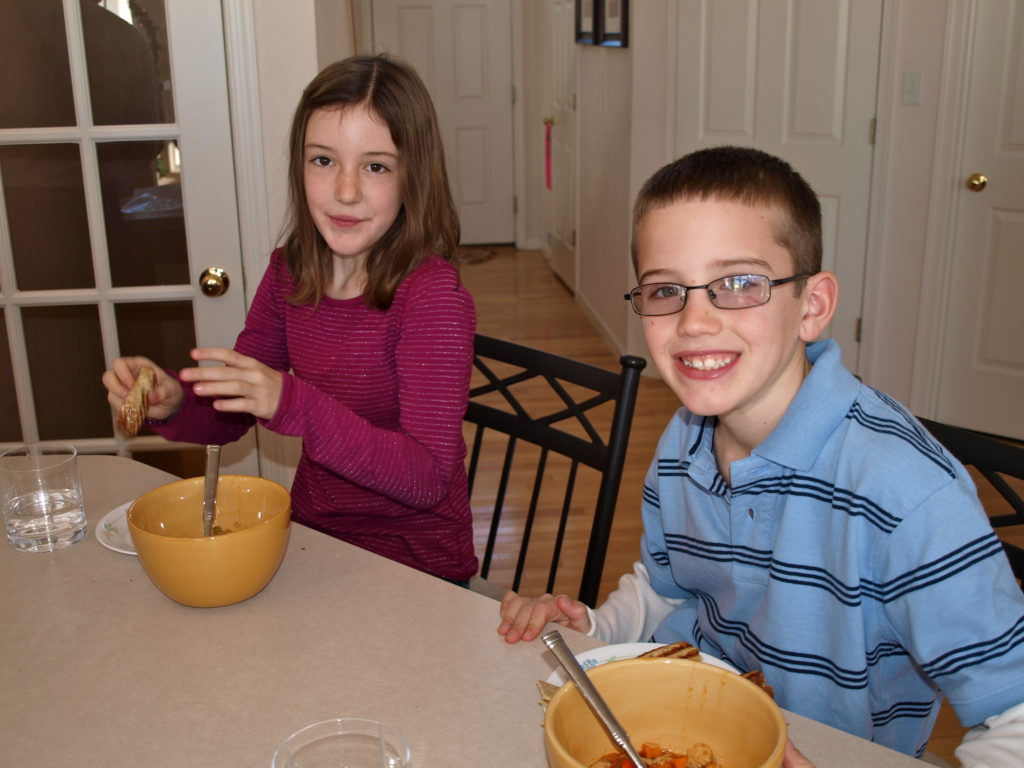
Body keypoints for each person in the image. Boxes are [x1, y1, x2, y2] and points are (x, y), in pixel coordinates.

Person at [496, 147, 1024, 765]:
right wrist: (595, 628)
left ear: (812, 306)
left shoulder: (904, 492)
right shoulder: (683, 439)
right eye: (666, 290)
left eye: (740, 283)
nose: (695, 321)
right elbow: (670, 591)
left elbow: (1013, 718)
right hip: (697, 729)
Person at [102, 55, 478, 584]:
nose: (345, 191)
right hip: (312, 542)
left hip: (414, 565)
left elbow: (428, 478)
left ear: (412, 176)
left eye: (375, 166)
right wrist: (175, 401)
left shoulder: (432, 298)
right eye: (323, 161)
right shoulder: (291, 269)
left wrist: (293, 403)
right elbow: (233, 414)